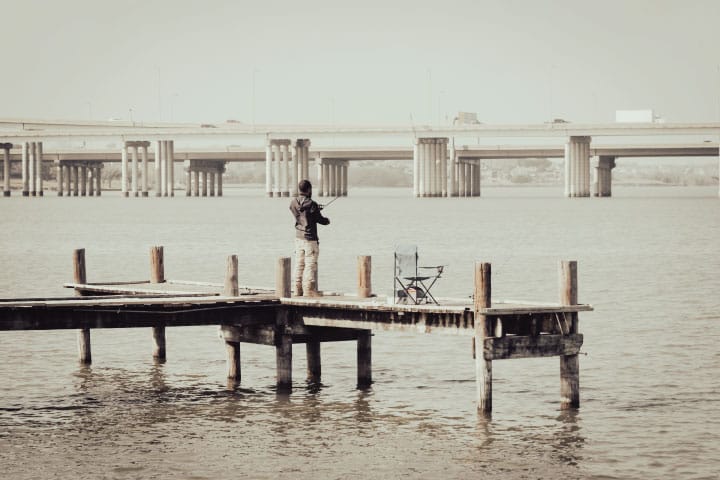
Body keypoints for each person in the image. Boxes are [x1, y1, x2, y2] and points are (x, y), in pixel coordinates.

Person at [289, 180, 330, 296]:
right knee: (310, 265)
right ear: (309, 190)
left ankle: (297, 291)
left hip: (298, 238)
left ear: (299, 189)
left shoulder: (293, 203)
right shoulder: (312, 204)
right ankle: (308, 292)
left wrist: (315, 210)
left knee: (299, 265)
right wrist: (327, 220)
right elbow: (320, 220)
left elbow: (302, 213)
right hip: (310, 239)